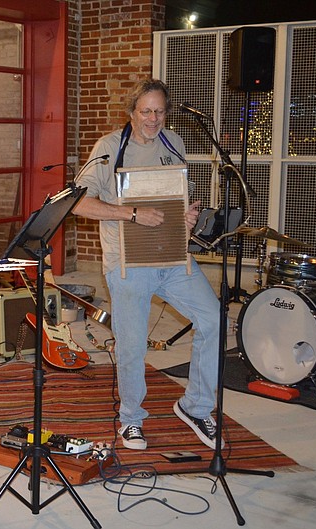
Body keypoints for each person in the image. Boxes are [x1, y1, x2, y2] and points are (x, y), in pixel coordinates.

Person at [73, 78, 222, 451]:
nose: (153, 119)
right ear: (132, 112)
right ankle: (130, 419)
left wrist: (185, 217)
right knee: (132, 346)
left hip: (173, 258)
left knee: (213, 320)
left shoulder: (175, 143)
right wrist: (132, 213)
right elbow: (78, 203)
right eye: (146, 111)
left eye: (159, 111)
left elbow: (174, 201)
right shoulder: (110, 148)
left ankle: (196, 406)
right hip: (128, 262)